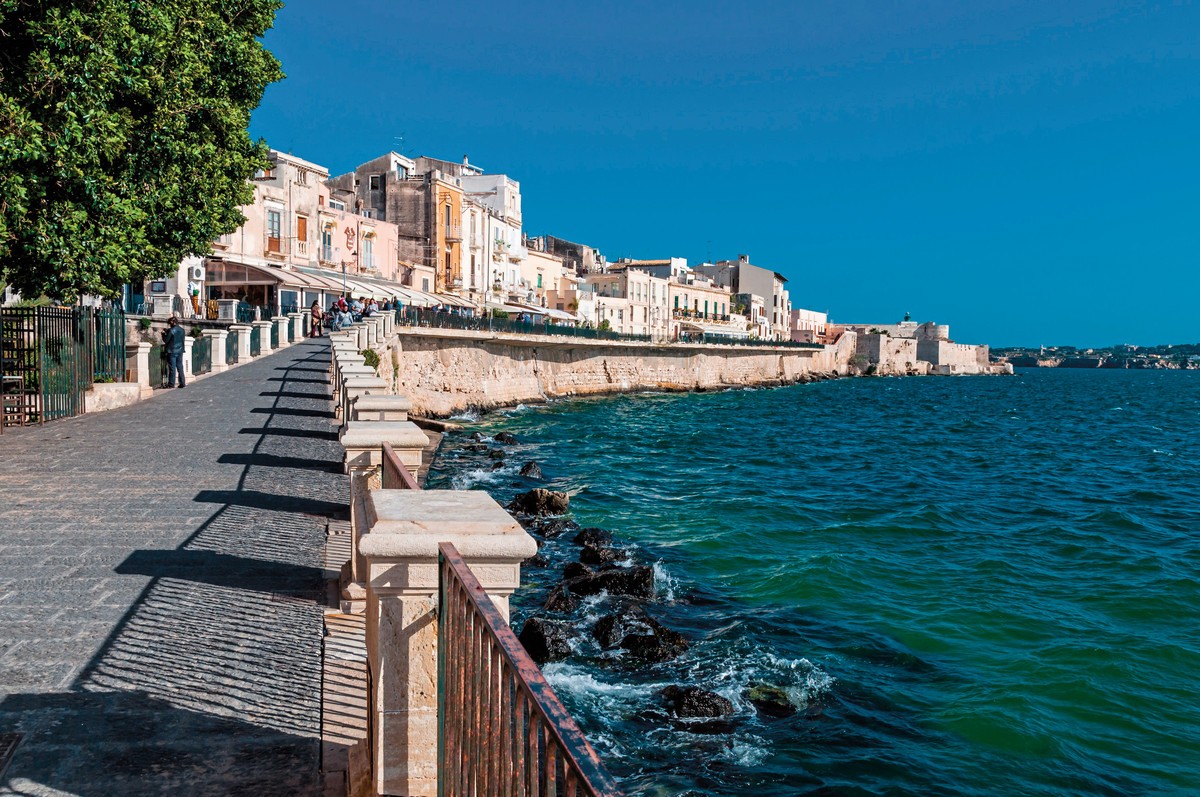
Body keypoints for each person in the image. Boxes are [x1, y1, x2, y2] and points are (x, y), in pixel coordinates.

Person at [161, 316, 186, 388]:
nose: (169, 325)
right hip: (180, 350)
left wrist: (163, 334)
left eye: (169, 323)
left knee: (172, 368)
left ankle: (171, 384)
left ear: (172, 322)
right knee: (180, 367)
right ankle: (182, 383)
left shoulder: (171, 330)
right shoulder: (182, 330)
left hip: (171, 351)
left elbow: (166, 340)